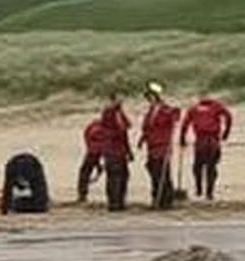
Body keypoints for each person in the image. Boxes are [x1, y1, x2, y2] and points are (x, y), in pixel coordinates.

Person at [181, 91, 235, 201]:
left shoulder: (194, 108)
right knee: (211, 166)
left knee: (198, 166)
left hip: (201, 141)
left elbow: (185, 123)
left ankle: (199, 189)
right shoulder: (216, 106)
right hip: (213, 140)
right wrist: (226, 132)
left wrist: (182, 138)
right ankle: (209, 192)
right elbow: (229, 117)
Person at [140, 82, 182, 210]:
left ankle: (165, 199)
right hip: (152, 146)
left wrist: (174, 113)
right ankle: (157, 197)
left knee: (162, 172)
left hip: (162, 145)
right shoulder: (151, 111)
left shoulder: (164, 109)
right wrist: (142, 139)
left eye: (150, 97)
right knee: (153, 170)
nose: (149, 100)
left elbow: (175, 115)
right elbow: (147, 128)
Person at [92, 94, 133, 211]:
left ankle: (120, 201)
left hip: (120, 150)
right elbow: (117, 129)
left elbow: (126, 129)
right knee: (115, 176)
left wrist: (128, 151)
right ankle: (114, 203)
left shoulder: (118, 113)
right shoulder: (109, 113)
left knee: (123, 176)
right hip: (112, 150)